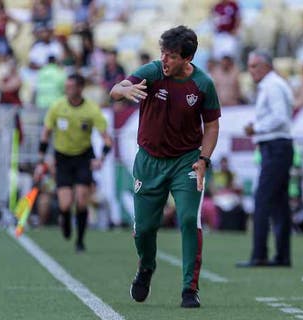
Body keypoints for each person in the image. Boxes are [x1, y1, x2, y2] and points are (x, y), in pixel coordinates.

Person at [110, 25, 221, 308]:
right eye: (163, 53)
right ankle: (146, 267)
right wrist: (126, 88)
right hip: (149, 161)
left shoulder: (203, 84)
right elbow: (115, 90)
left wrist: (204, 159)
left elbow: (211, 125)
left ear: (187, 58)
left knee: (187, 219)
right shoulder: (152, 72)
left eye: (170, 55)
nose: (164, 60)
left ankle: (189, 289)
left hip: (186, 161)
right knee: (145, 229)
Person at [35, 73, 113, 252]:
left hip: (83, 157)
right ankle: (66, 222)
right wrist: (41, 160)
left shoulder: (91, 109)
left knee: (81, 201)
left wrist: (100, 158)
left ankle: (80, 240)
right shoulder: (57, 107)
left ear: (80, 88)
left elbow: (107, 139)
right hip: (62, 158)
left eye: (71, 87)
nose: (68, 90)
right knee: (64, 203)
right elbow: (46, 133)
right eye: (67, 87)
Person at [236, 50, 294, 268]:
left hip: (276, 146)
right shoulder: (273, 85)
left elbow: (280, 117)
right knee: (279, 203)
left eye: (254, 66)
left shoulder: (272, 86)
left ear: (266, 66)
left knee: (263, 200)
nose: (250, 71)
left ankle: (260, 254)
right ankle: (282, 256)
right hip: (277, 146)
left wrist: (257, 128)